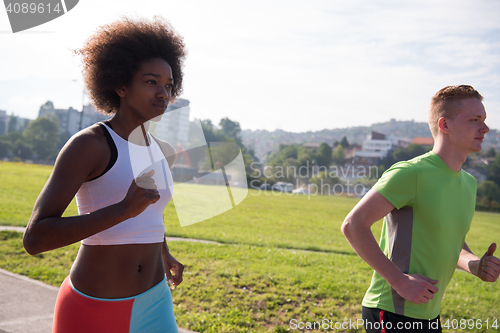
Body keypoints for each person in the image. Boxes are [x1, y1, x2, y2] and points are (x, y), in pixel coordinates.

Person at [23, 16, 186, 333]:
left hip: (155, 300)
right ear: (121, 85)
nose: (163, 93)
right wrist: (123, 210)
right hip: (93, 306)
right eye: (151, 82)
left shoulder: (164, 149)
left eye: (168, 85)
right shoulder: (90, 145)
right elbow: (35, 238)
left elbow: (150, 213)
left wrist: (163, 251)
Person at [341, 85, 500, 332]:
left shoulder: (469, 183)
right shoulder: (411, 173)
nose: (485, 128)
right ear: (445, 125)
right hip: (392, 312)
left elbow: (451, 243)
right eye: (474, 120)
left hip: (430, 315)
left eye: (484, 120)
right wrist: (399, 281)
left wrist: (475, 264)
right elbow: (353, 225)